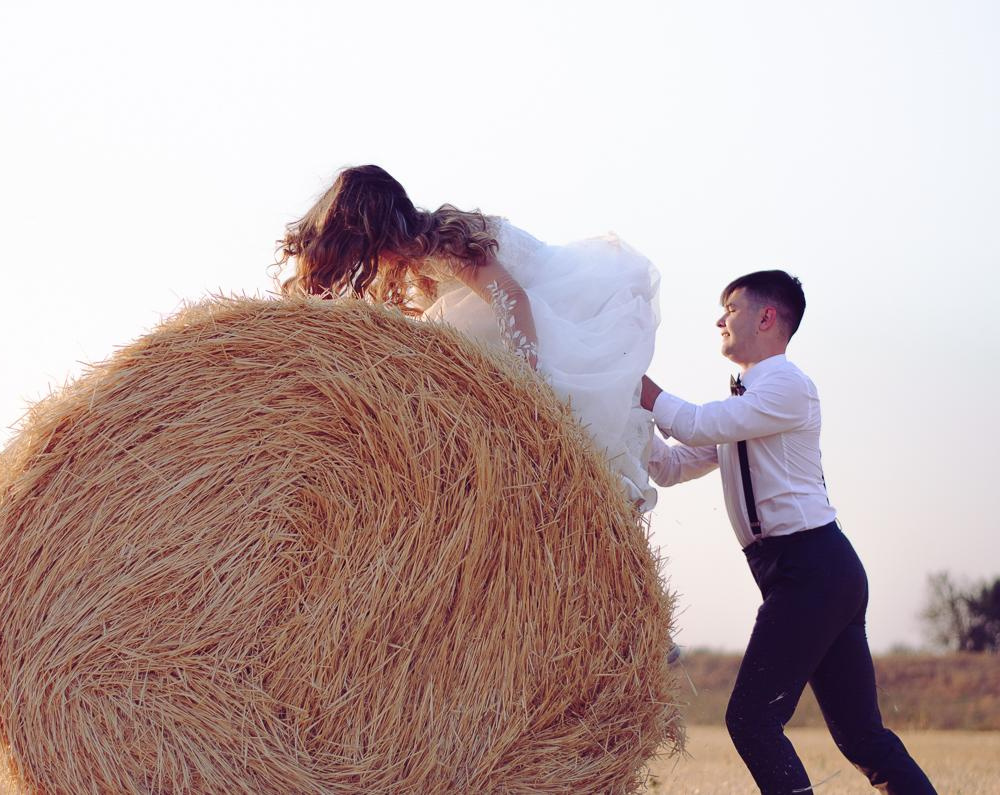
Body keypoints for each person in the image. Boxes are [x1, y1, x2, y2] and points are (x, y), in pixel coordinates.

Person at [640, 270, 936, 794]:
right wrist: (621, 415)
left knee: (751, 720)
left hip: (811, 568)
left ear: (766, 317)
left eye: (730, 308)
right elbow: (671, 465)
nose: (719, 320)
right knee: (862, 738)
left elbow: (694, 423)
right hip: (807, 572)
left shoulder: (787, 386)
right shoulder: (745, 405)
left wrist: (638, 386)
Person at [277, 164, 661, 507]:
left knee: (559, 407)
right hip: (532, 319)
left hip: (541, 316)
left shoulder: (444, 242)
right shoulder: (419, 258)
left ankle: (621, 470)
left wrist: (524, 381)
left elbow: (511, 297)